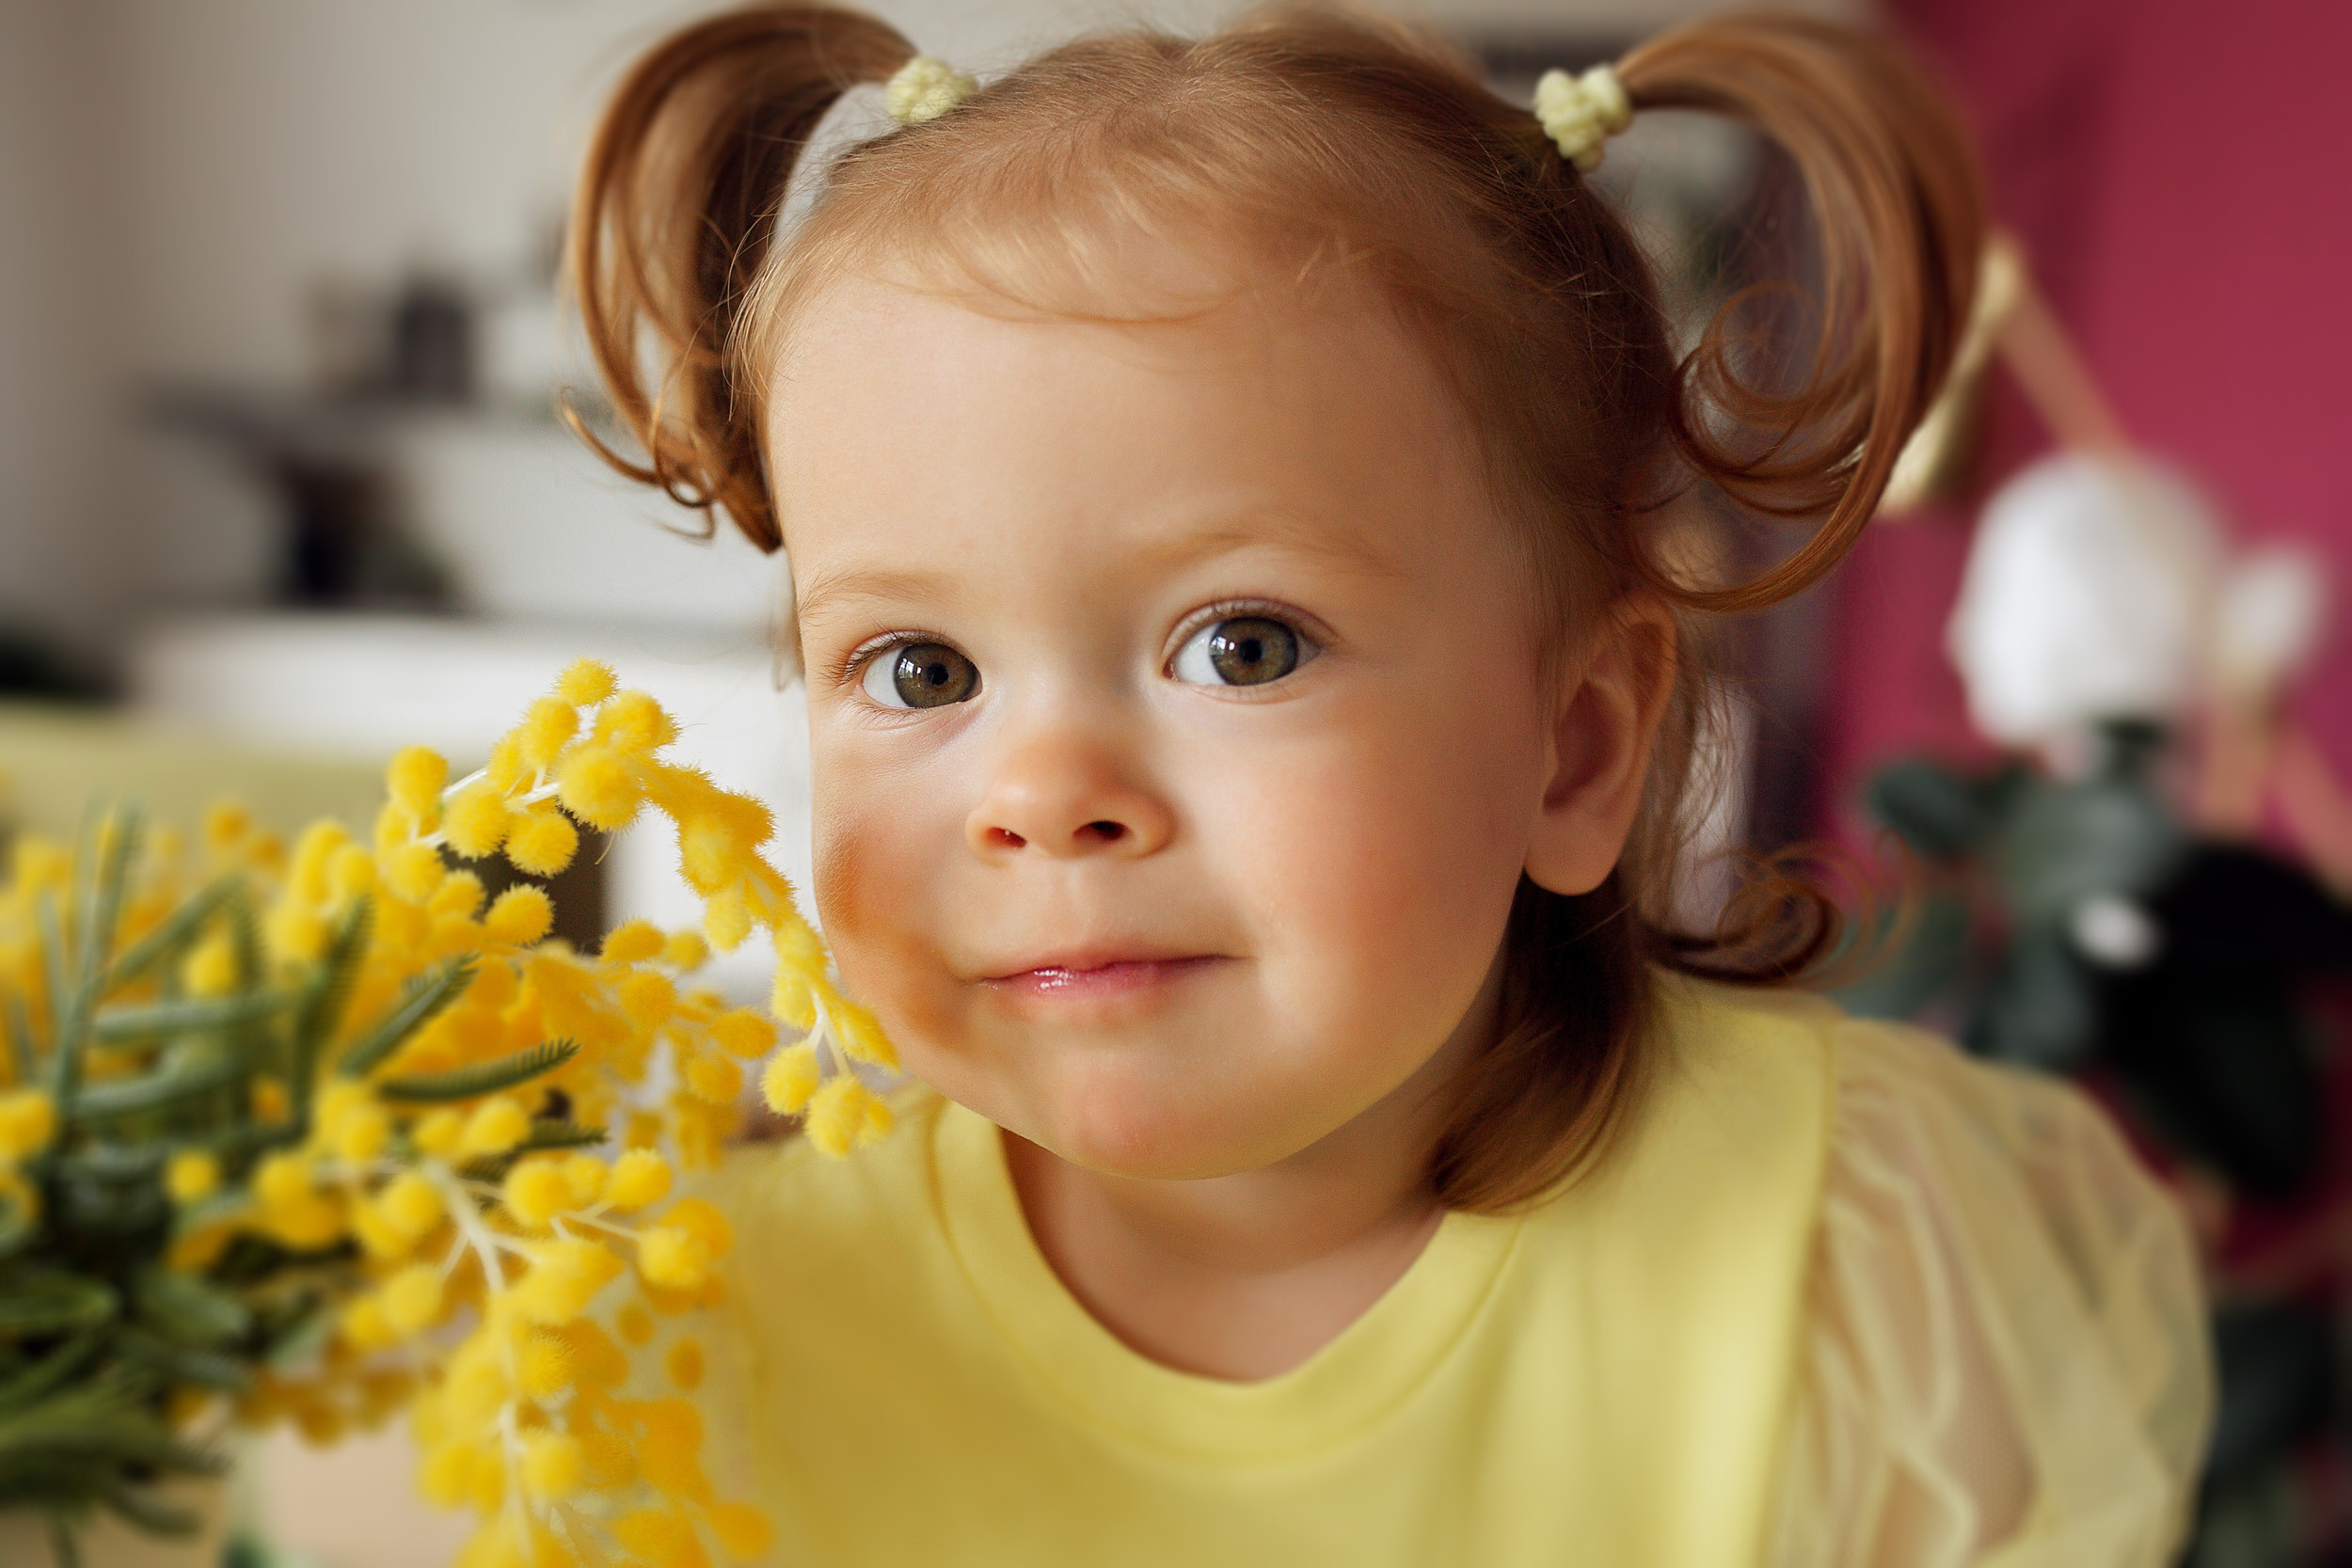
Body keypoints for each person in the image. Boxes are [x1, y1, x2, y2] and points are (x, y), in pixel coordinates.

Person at [564, 6, 2211, 1562]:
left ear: (1572, 747)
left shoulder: (1848, 1268)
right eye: (921, 671)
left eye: (1244, 648)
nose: (1047, 795)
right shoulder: (693, 1313)